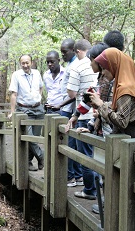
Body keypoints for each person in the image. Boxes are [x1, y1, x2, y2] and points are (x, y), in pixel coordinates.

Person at [87, 47, 135, 231]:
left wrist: (100, 105)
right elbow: (121, 111)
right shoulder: (122, 86)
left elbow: (122, 121)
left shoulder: (126, 88)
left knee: (129, 190)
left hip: (130, 140)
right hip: (126, 141)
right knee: (121, 189)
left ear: (114, 66)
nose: (104, 74)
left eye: (105, 70)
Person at [66, 39, 98, 199]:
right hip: (98, 115)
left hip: (85, 115)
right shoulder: (101, 64)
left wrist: (74, 115)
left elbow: (71, 93)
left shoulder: (77, 67)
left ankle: (90, 190)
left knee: (86, 156)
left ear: (77, 51)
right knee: (97, 154)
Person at [50, 39, 83, 187]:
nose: (63, 55)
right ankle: (74, 175)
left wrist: (60, 106)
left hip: (68, 109)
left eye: (65, 52)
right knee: (70, 142)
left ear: (74, 50)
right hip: (66, 108)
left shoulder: (76, 65)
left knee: (68, 143)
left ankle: (71, 176)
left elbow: (74, 94)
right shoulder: (71, 64)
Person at [8, 54, 45, 171]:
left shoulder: (37, 73)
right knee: (29, 137)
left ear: (31, 62)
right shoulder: (16, 75)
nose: (25, 65)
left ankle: (28, 162)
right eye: (23, 63)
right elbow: (13, 94)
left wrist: (38, 97)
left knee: (36, 137)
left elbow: (41, 87)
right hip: (24, 110)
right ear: (20, 64)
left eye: (27, 62)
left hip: (38, 109)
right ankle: (41, 157)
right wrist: (12, 112)